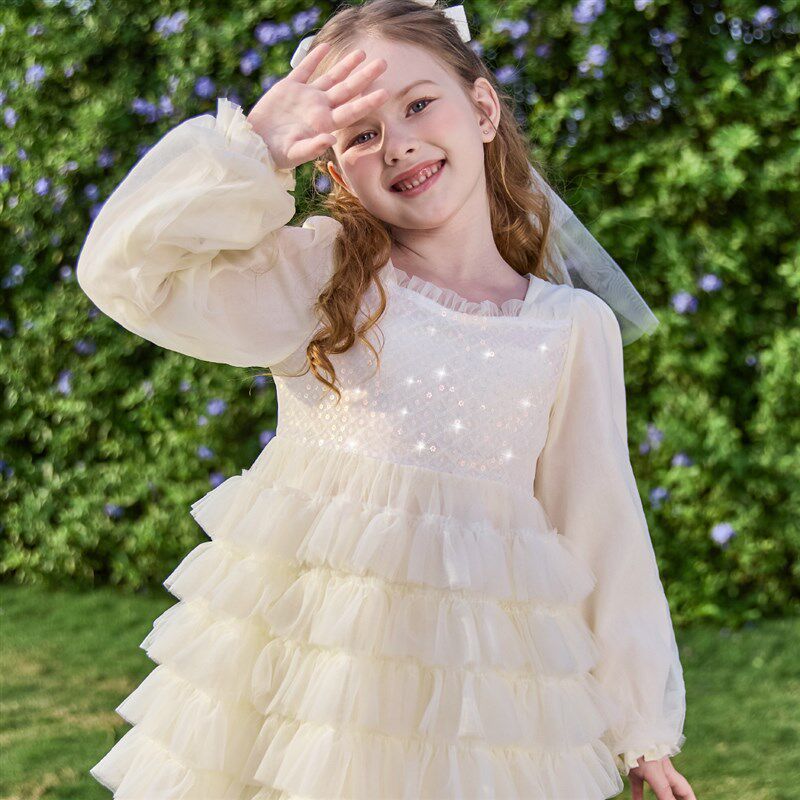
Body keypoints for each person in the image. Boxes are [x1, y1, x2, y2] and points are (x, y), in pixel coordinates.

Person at [78, 1, 695, 798]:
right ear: (335, 171)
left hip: (475, 691)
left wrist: (639, 725)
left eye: (418, 104)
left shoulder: (569, 327)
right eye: (362, 133)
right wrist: (255, 150)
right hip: (313, 677)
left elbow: (600, 525)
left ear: (482, 110)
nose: (398, 142)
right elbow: (127, 272)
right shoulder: (320, 278)